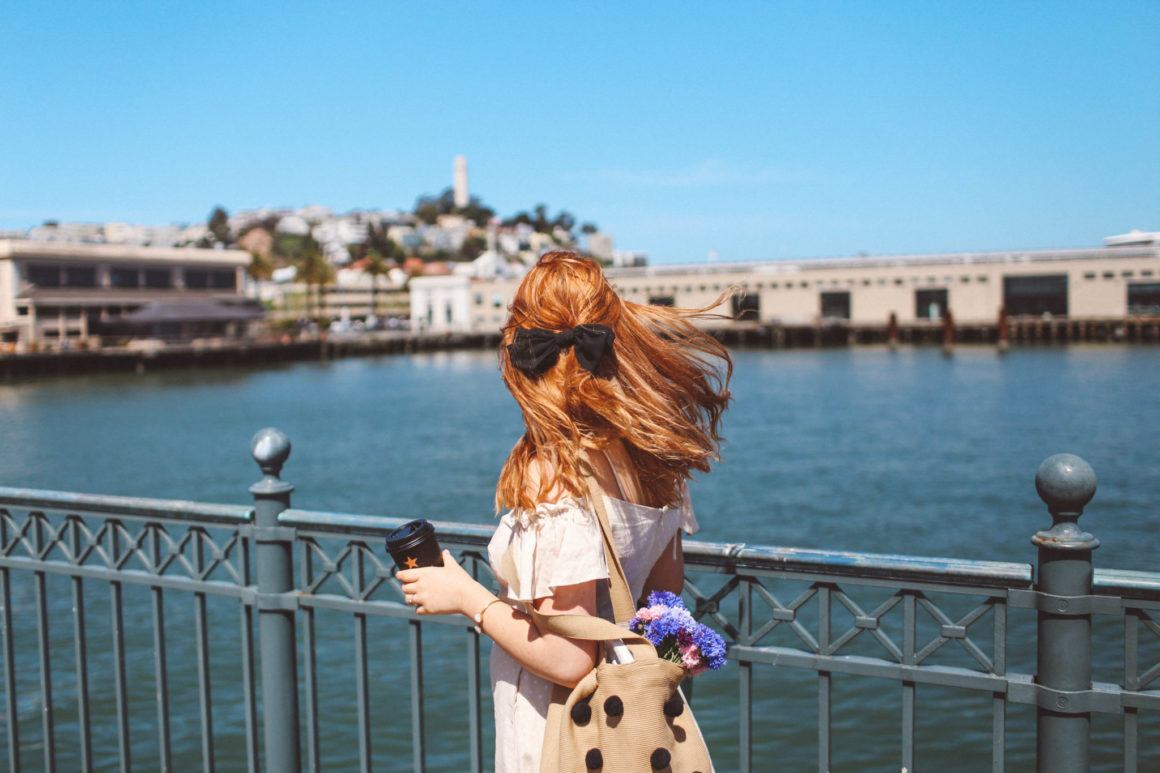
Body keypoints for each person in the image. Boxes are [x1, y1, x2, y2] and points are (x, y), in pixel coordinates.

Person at [396, 251, 732, 772]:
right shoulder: (656, 459)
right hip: (630, 731)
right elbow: (661, 604)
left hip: (560, 733)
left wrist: (467, 598)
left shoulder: (553, 473)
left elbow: (571, 659)